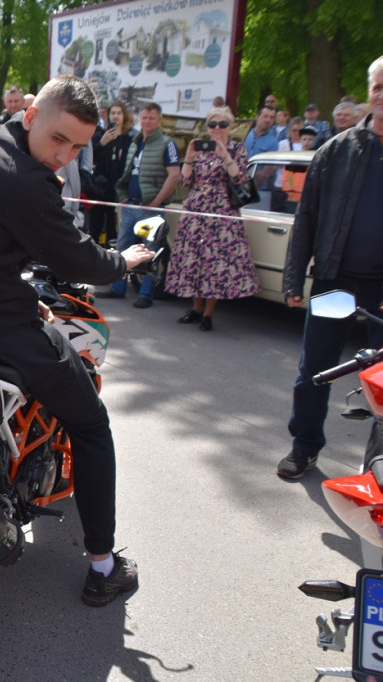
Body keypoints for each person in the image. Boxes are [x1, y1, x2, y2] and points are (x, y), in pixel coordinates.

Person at [0, 74, 153, 606]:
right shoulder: (27, 181)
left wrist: (23, 294)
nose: (64, 155)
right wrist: (125, 261)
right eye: (58, 139)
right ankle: (103, 564)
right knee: (92, 424)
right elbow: (77, 258)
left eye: (77, 146)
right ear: (30, 116)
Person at [277, 55, 383, 479]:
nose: (382, 95)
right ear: (368, 94)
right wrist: (292, 278)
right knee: (315, 371)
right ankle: (304, 446)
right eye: (377, 87)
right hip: (334, 283)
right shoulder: (336, 150)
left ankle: (376, 464)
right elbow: (307, 220)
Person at [164, 107, 260, 331]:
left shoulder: (237, 148)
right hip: (196, 208)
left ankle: (208, 313)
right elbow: (186, 182)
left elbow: (240, 178)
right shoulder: (199, 148)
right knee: (193, 259)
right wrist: (188, 158)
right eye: (213, 124)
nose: (217, 128)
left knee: (215, 263)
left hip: (221, 211)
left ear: (230, 126)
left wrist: (225, 155)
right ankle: (196, 309)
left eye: (222, 124)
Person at [97, 101, 180, 307]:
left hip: (150, 208)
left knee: (150, 251)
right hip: (130, 205)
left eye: (151, 118)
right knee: (124, 247)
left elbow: (174, 175)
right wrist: (122, 194)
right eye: (144, 117)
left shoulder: (167, 143)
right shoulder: (135, 142)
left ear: (159, 120)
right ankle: (118, 288)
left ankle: (146, 294)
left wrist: (157, 202)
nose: (147, 121)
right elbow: (126, 174)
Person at [90, 100, 136, 245]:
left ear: (124, 116)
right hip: (101, 188)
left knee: (114, 228)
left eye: (119, 113)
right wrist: (103, 143)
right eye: (113, 113)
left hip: (120, 190)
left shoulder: (130, 139)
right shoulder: (99, 136)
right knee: (95, 226)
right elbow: (92, 158)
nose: (115, 117)